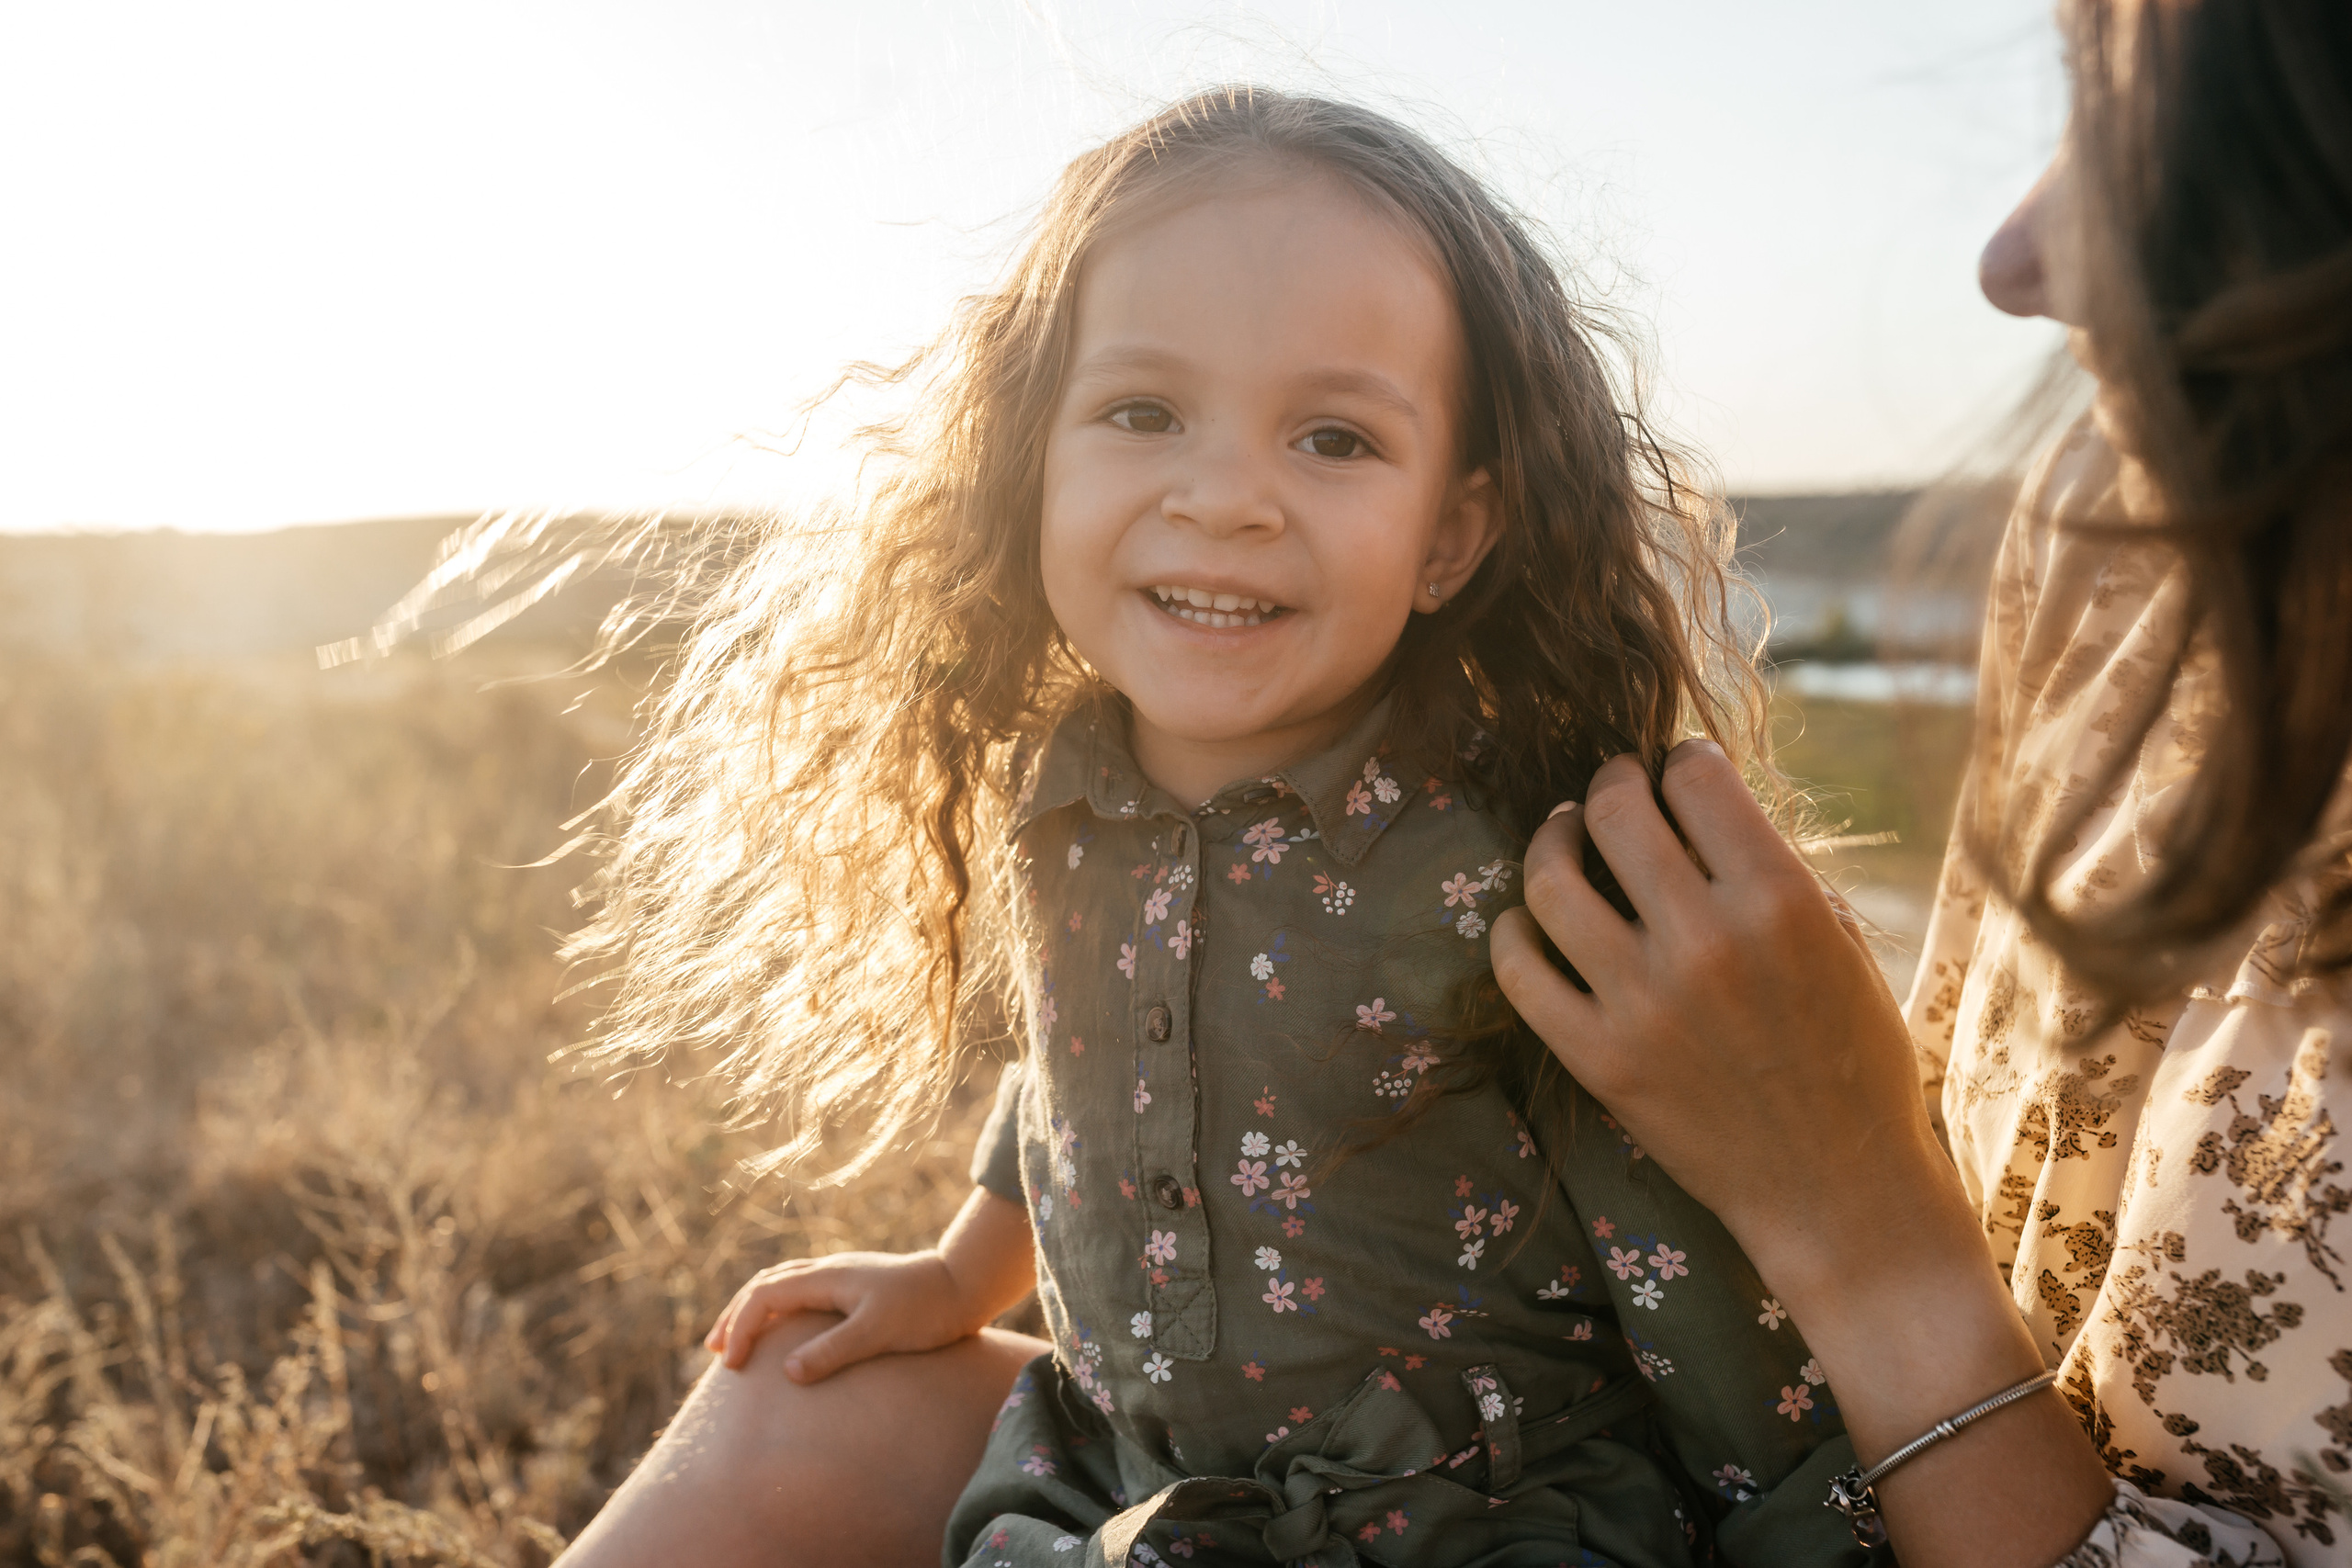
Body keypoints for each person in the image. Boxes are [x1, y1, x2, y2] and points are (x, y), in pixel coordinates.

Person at [562, 89, 1875, 1568]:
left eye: (1331, 438)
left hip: (1469, 1528)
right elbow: (1095, 1062)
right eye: (1143, 414)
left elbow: (1690, 1264)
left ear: (1450, 534)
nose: (1224, 496)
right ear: (1029, 456)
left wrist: (1804, 1529)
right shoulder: (1056, 790)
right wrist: (959, 1271)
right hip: (1127, 1491)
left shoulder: (1508, 864)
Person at [1494, 3, 2352, 1566]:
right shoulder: (2129, 522)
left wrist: (1845, 1206)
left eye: (2164, 129)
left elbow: (1890, 1210)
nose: (2013, 259)